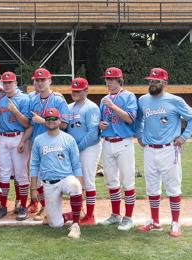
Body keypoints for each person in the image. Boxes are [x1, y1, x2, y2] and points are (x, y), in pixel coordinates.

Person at [136, 68, 192, 237]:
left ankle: (175, 223)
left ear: (164, 83)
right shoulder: (143, 100)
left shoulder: (175, 100)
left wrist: (184, 137)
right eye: (150, 81)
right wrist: (139, 135)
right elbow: (138, 119)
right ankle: (155, 222)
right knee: (152, 188)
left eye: (155, 81)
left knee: (173, 188)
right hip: (149, 150)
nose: (151, 84)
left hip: (169, 149)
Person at [30, 108, 83, 239]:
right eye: (48, 119)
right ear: (45, 121)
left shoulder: (69, 139)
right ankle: (67, 216)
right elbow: (34, 165)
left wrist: (80, 185)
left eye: (54, 119)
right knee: (55, 224)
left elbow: (76, 164)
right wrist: (33, 188)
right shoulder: (38, 140)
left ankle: (76, 224)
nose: (51, 121)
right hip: (48, 183)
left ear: (60, 120)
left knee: (75, 185)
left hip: (66, 178)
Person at [24, 68, 70, 219]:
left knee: (51, 177)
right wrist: (23, 141)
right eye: (37, 80)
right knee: (36, 177)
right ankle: (46, 207)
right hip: (37, 142)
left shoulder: (58, 99)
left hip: (54, 143)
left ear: (50, 81)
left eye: (42, 80)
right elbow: (31, 125)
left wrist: (43, 121)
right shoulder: (33, 100)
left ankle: (51, 210)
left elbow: (64, 124)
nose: (39, 83)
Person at [98, 67, 137, 231]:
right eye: (107, 79)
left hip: (124, 142)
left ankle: (128, 217)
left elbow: (129, 119)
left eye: (112, 79)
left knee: (127, 180)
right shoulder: (103, 99)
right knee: (111, 180)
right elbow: (101, 121)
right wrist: (100, 125)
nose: (108, 82)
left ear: (120, 80)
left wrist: (113, 106)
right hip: (107, 141)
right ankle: (115, 215)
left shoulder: (128, 96)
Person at [0, 71, 31, 221]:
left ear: (15, 83)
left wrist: (15, 111)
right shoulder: (1, 99)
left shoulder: (24, 99)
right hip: (3, 138)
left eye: (10, 82)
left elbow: (27, 124)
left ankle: (23, 206)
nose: (7, 85)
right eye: (5, 82)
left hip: (18, 136)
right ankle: (2, 206)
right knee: (4, 173)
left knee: (21, 174)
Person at [67, 78, 102, 225]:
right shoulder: (69, 107)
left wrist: (78, 147)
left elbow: (93, 133)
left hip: (89, 148)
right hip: (75, 149)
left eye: (79, 90)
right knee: (76, 181)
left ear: (86, 91)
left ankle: (90, 215)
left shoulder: (92, 107)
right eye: (74, 90)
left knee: (88, 181)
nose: (75, 93)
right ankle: (78, 210)